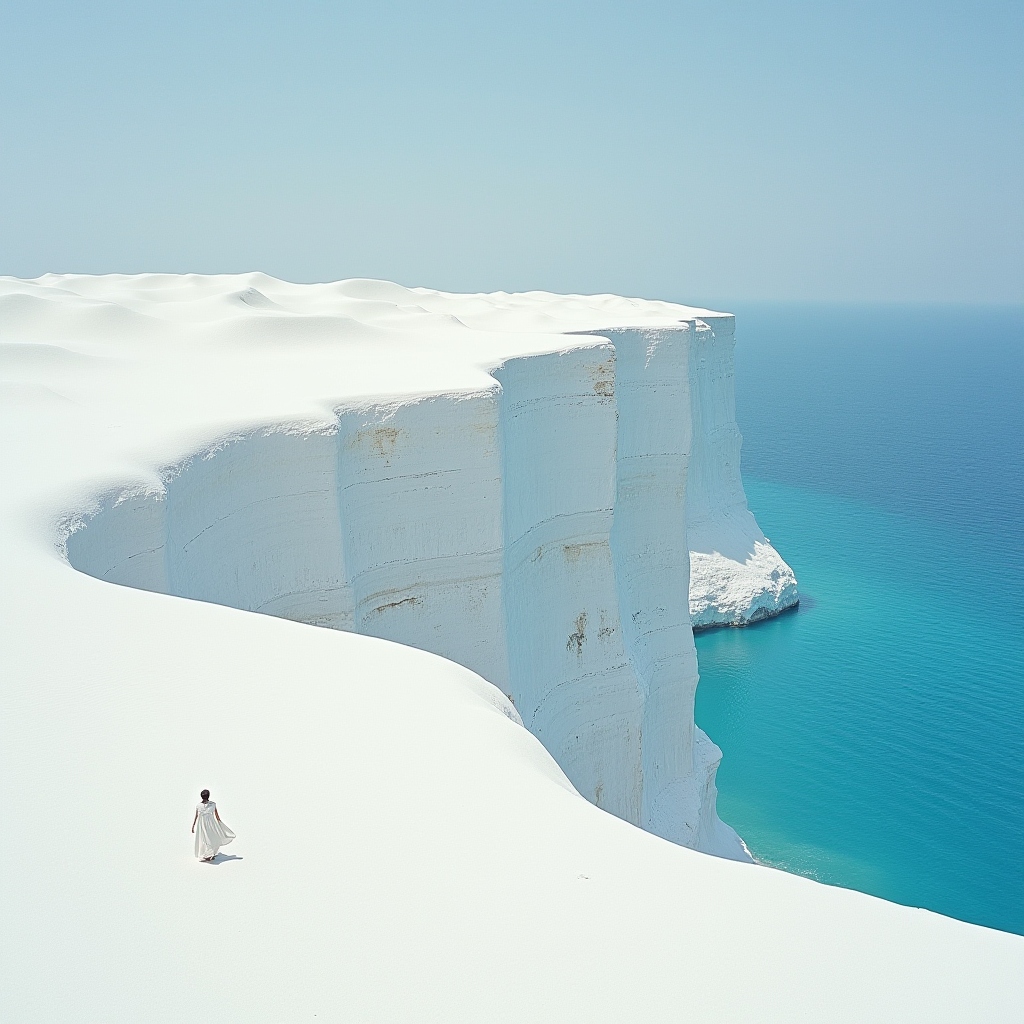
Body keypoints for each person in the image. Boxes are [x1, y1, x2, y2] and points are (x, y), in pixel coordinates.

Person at [191, 789, 235, 862]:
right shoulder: (213, 804)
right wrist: (220, 825)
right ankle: (208, 854)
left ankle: (208, 854)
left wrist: (193, 825)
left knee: (204, 839)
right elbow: (217, 816)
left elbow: (196, 816)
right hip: (211, 824)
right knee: (211, 838)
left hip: (202, 825)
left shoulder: (199, 805)